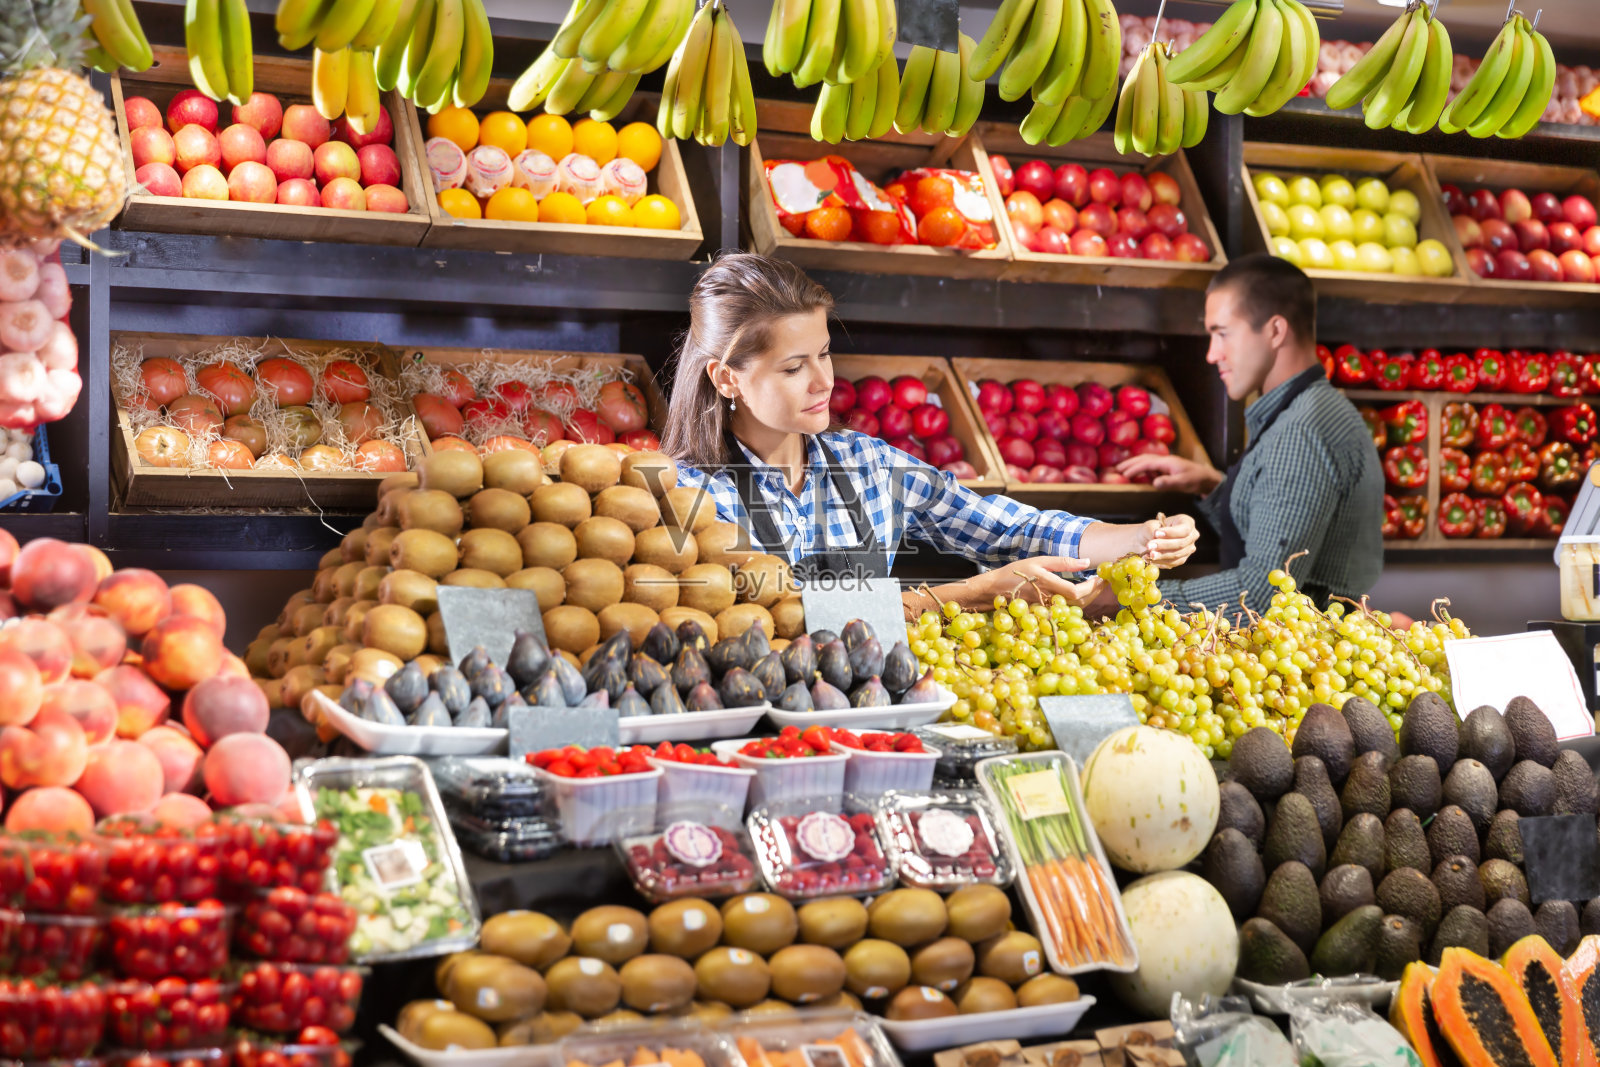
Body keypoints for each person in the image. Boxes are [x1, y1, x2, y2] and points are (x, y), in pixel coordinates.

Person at [658, 251, 1200, 618]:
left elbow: (1008, 529)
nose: (825, 380)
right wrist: (973, 593)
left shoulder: (867, 464)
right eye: (794, 367)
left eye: (824, 353)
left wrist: (1141, 538)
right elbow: (786, 616)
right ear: (728, 378)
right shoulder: (691, 495)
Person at [1119, 253, 1383, 611]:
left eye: (1222, 334)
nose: (1212, 354)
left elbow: (1262, 595)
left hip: (1299, 654)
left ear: (1275, 331)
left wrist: (1131, 600)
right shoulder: (1311, 409)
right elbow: (1284, 520)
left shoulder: (1300, 432)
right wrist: (1211, 486)